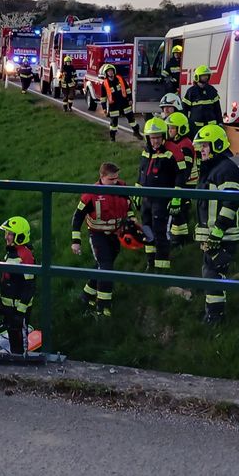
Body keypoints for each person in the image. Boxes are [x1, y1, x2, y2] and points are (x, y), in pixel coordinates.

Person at [192, 125, 239, 324]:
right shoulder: (212, 168)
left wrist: (218, 232)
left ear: (217, 145)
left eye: (205, 146)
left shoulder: (227, 170)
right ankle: (213, 313)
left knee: (213, 273)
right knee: (211, 272)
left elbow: (231, 203)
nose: (201, 150)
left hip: (222, 234)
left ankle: (215, 317)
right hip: (214, 233)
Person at [70, 161, 133, 317]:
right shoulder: (90, 194)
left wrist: (132, 221)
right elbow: (77, 217)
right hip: (98, 236)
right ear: (102, 177)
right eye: (111, 179)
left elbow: (129, 206)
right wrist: (76, 241)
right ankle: (103, 307)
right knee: (106, 268)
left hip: (116, 235)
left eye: (117, 178)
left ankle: (86, 296)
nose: (115, 182)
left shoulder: (122, 187)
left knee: (102, 266)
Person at [136, 117, 185, 271]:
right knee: (147, 231)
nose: (155, 141)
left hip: (163, 200)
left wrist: (176, 198)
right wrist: (137, 192)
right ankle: (151, 263)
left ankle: (162, 268)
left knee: (160, 233)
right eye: (152, 138)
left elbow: (181, 175)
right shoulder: (146, 152)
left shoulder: (173, 151)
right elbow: (142, 173)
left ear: (163, 136)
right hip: (147, 199)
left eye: (158, 138)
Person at [0, 216, 35, 355]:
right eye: (6, 233)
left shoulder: (25, 256)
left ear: (19, 236)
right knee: (13, 340)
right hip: (9, 307)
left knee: (21, 344)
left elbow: (30, 286)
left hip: (19, 309)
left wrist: (20, 312)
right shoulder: (11, 253)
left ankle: (23, 369)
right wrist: (2, 302)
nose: (6, 237)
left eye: (10, 234)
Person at [166, 111, 198, 246]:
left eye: (172, 128)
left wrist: (177, 185)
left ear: (181, 129)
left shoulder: (185, 146)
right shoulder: (176, 143)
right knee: (179, 212)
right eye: (169, 128)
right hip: (182, 183)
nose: (169, 131)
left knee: (179, 210)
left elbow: (185, 170)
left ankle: (178, 239)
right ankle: (180, 238)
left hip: (187, 183)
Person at [99, 63, 141, 141]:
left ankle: (136, 132)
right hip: (114, 105)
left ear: (114, 71)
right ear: (106, 73)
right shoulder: (104, 84)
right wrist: (104, 108)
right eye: (109, 71)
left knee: (131, 119)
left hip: (124, 103)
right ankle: (113, 137)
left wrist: (130, 99)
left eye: (111, 71)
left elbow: (128, 90)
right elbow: (103, 98)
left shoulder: (120, 79)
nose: (110, 72)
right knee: (114, 123)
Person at [183, 65, 223, 134]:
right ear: (197, 77)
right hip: (195, 127)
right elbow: (184, 109)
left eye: (207, 75)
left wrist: (220, 122)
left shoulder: (212, 90)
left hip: (211, 126)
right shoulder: (191, 92)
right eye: (203, 75)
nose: (205, 77)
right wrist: (185, 124)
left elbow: (217, 109)